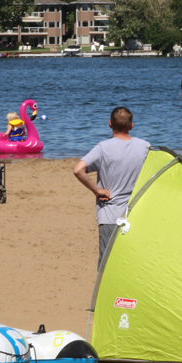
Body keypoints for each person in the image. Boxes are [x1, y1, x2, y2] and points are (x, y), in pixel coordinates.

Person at [72, 107, 150, 266]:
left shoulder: (103, 148)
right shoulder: (145, 147)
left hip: (110, 215)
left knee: (107, 265)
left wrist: (97, 190)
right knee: (134, 262)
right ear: (131, 126)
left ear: (109, 124)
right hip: (137, 214)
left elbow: (78, 170)